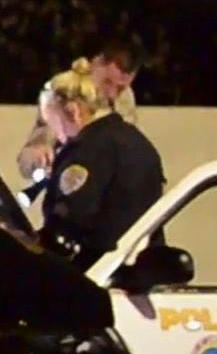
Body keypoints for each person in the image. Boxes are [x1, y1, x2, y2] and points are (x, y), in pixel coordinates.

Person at [38, 57, 164, 268]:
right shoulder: (138, 143)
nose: (60, 138)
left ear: (74, 112)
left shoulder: (86, 150)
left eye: (56, 124)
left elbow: (67, 228)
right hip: (139, 274)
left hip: (95, 276)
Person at [17, 40, 143, 182]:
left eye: (121, 88)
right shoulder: (65, 88)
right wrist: (36, 159)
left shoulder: (125, 98)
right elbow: (28, 160)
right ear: (97, 62)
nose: (113, 94)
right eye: (107, 82)